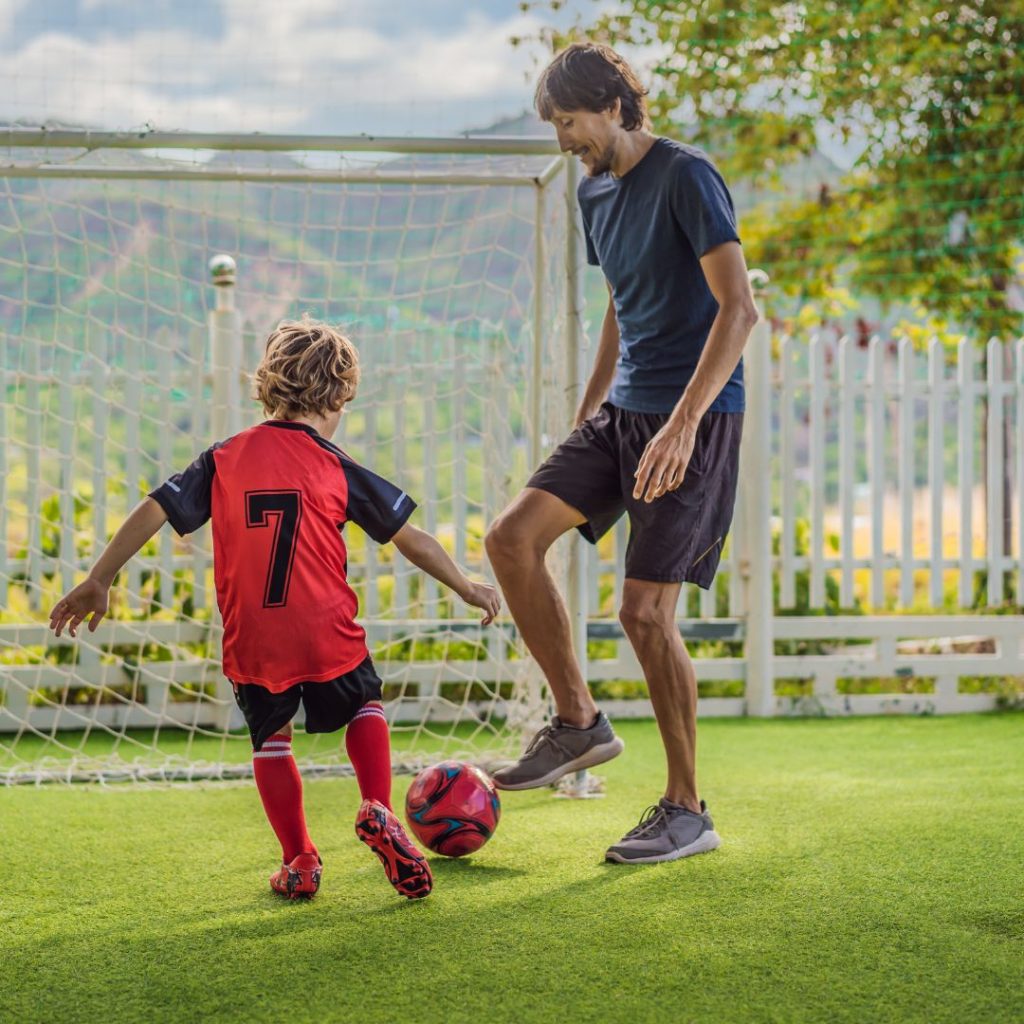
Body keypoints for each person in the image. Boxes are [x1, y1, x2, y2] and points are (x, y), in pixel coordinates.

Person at [49, 317, 501, 900]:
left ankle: (300, 860)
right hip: (325, 625)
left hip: (254, 636)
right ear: (338, 397)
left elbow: (155, 507)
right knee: (365, 704)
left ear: (267, 386)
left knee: (272, 740)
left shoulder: (223, 457)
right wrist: (464, 583)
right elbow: (407, 536)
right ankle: (378, 808)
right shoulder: (334, 463)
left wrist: (97, 578)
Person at [486, 42, 758, 864]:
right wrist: (591, 404)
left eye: (569, 122)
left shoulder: (686, 177)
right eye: (557, 127)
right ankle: (578, 722)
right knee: (511, 539)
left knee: (644, 613)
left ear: (611, 103)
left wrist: (681, 424)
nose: (564, 140)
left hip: (695, 420)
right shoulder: (592, 191)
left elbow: (738, 310)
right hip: (623, 413)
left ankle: (687, 809)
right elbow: (619, 301)